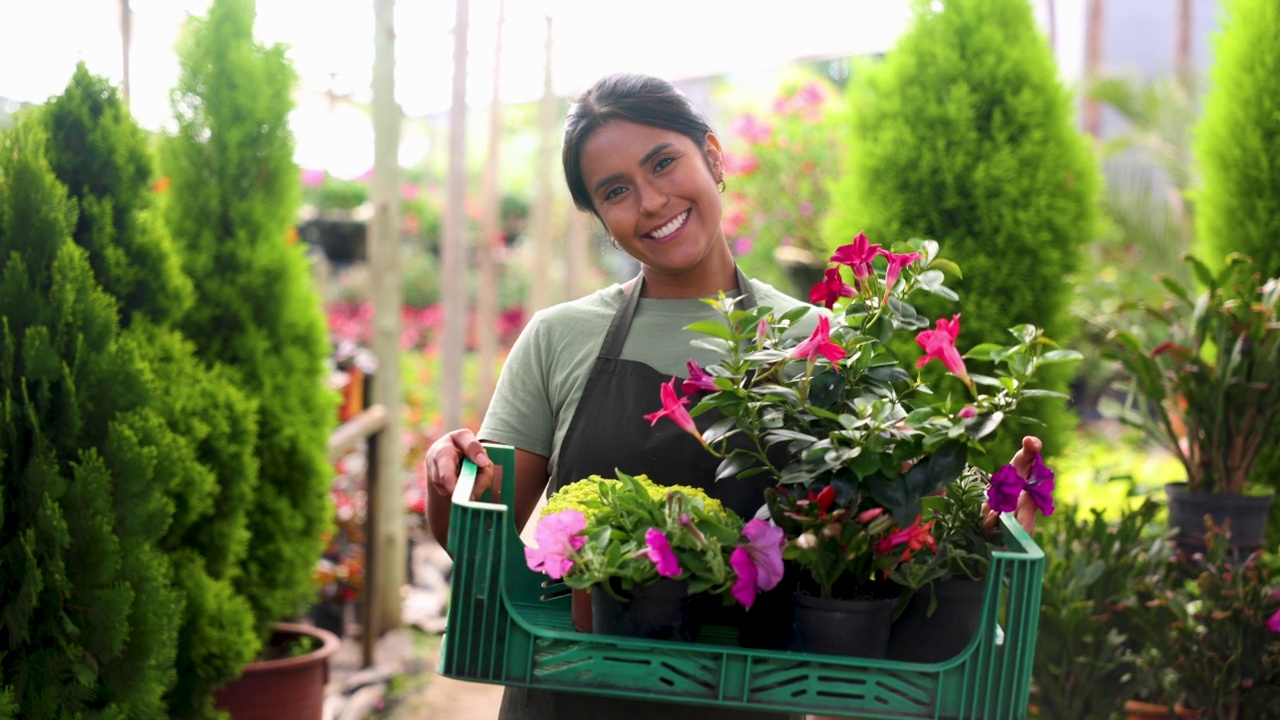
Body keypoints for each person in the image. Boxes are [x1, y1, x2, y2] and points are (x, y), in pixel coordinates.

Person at [424, 72, 1045, 720]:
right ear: (604, 221)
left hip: (744, 704)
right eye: (616, 191)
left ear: (713, 157)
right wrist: (450, 489)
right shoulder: (558, 338)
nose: (652, 201)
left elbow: (878, 552)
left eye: (663, 163)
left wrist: (983, 524)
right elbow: (481, 543)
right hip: (566, 700)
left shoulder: (818, 342)